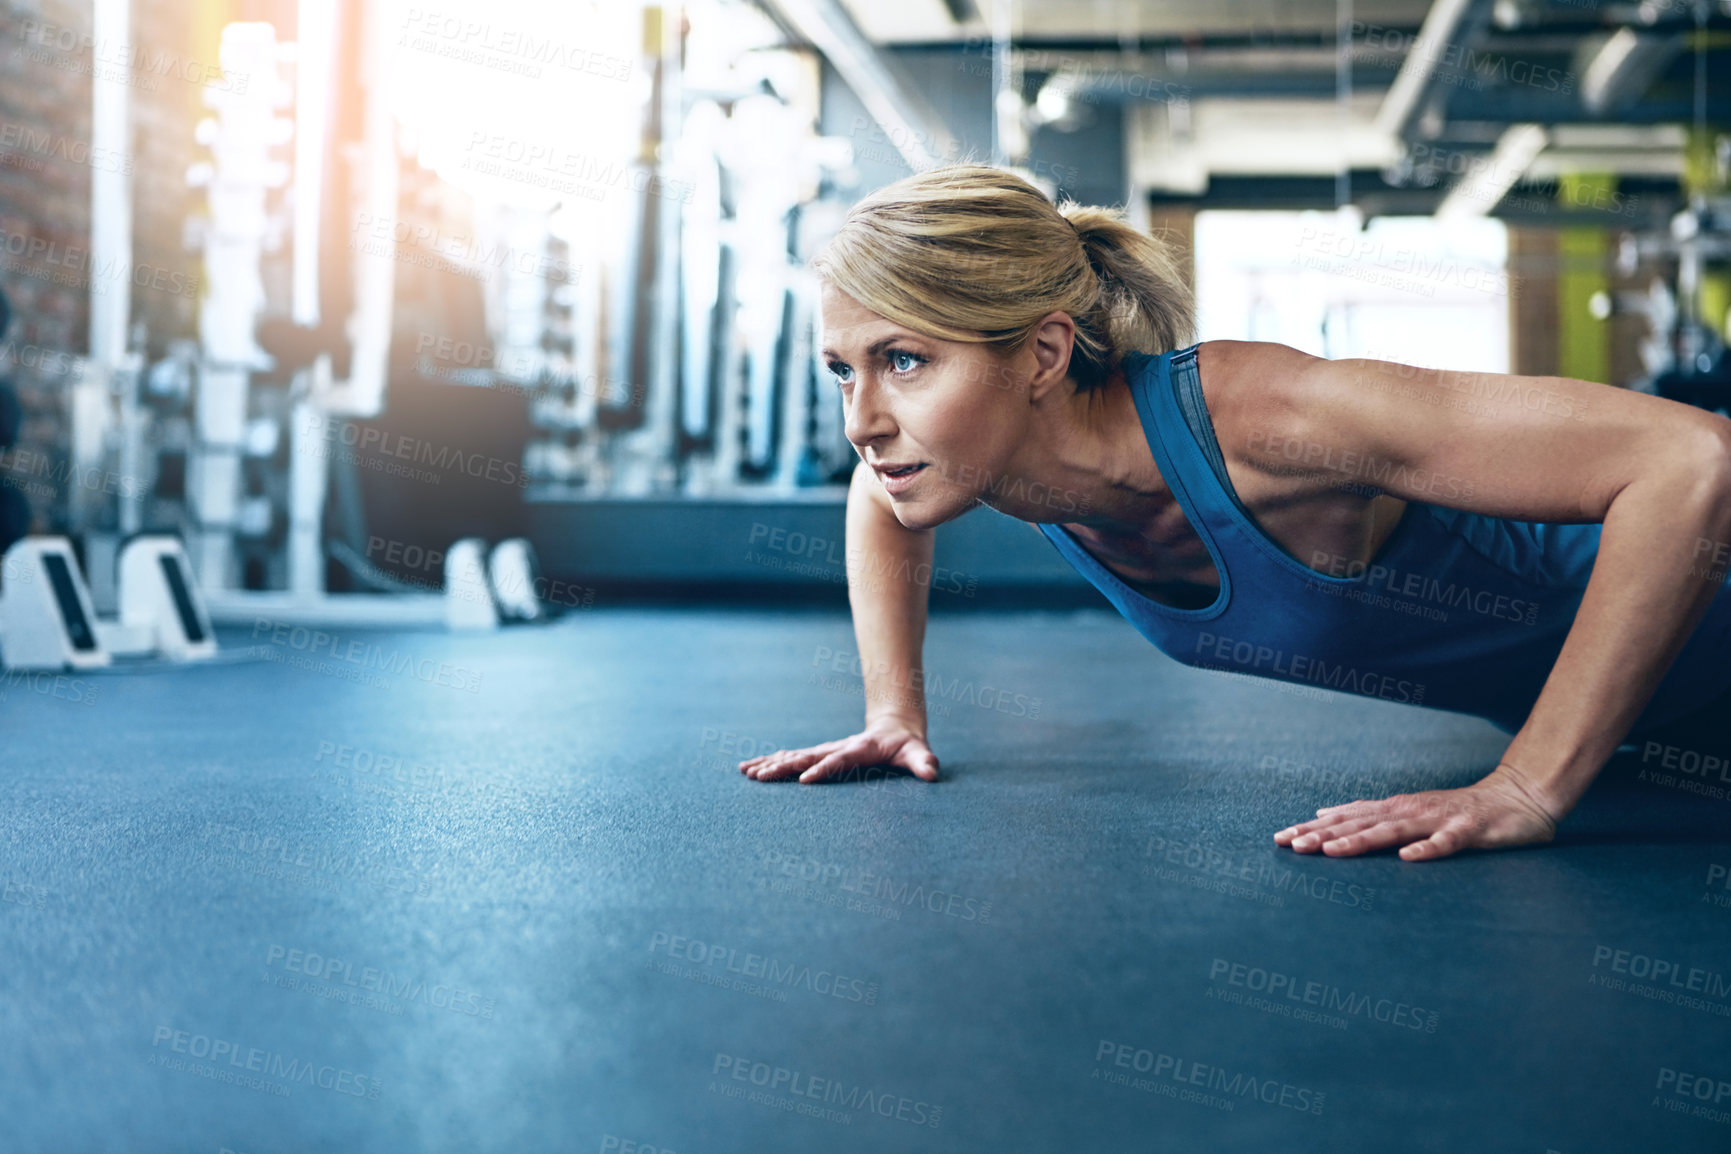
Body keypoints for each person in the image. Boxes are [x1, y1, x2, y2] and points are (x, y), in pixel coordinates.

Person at [737, 164, 1731, 862]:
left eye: (903, 359)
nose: (861, 418)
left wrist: (1528, 784)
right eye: (842, 370)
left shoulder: (1269, 419)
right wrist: (891, 713)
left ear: (1043, 354)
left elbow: (1690, 458)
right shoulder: (970, 459)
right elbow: (877, 499)